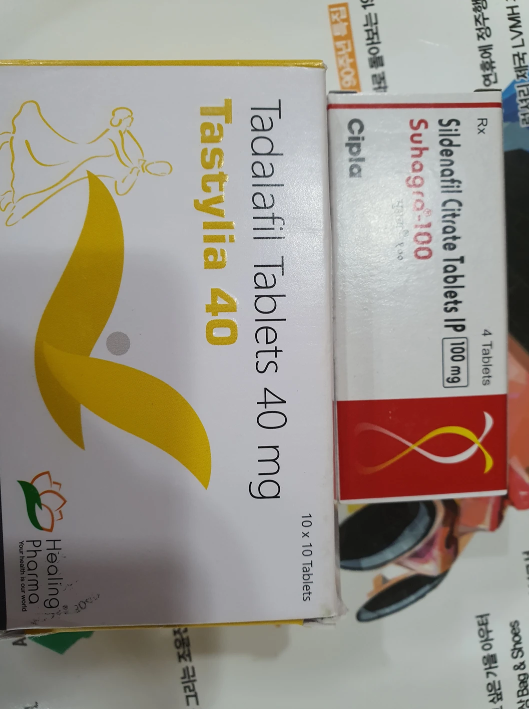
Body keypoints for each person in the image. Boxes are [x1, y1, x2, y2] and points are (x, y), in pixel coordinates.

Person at [0, 101, 172, 226]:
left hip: (83, 166)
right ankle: (12, 143)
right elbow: (117, 147)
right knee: (49, 155)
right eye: (128, 119)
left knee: (48, 181)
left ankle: (13, 190)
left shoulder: (134, 159)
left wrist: (134, 172)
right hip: (80, 155)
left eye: (159, 171)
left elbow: (121, 188)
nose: (130, 122)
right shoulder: (121, 138)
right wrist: (135, 166)